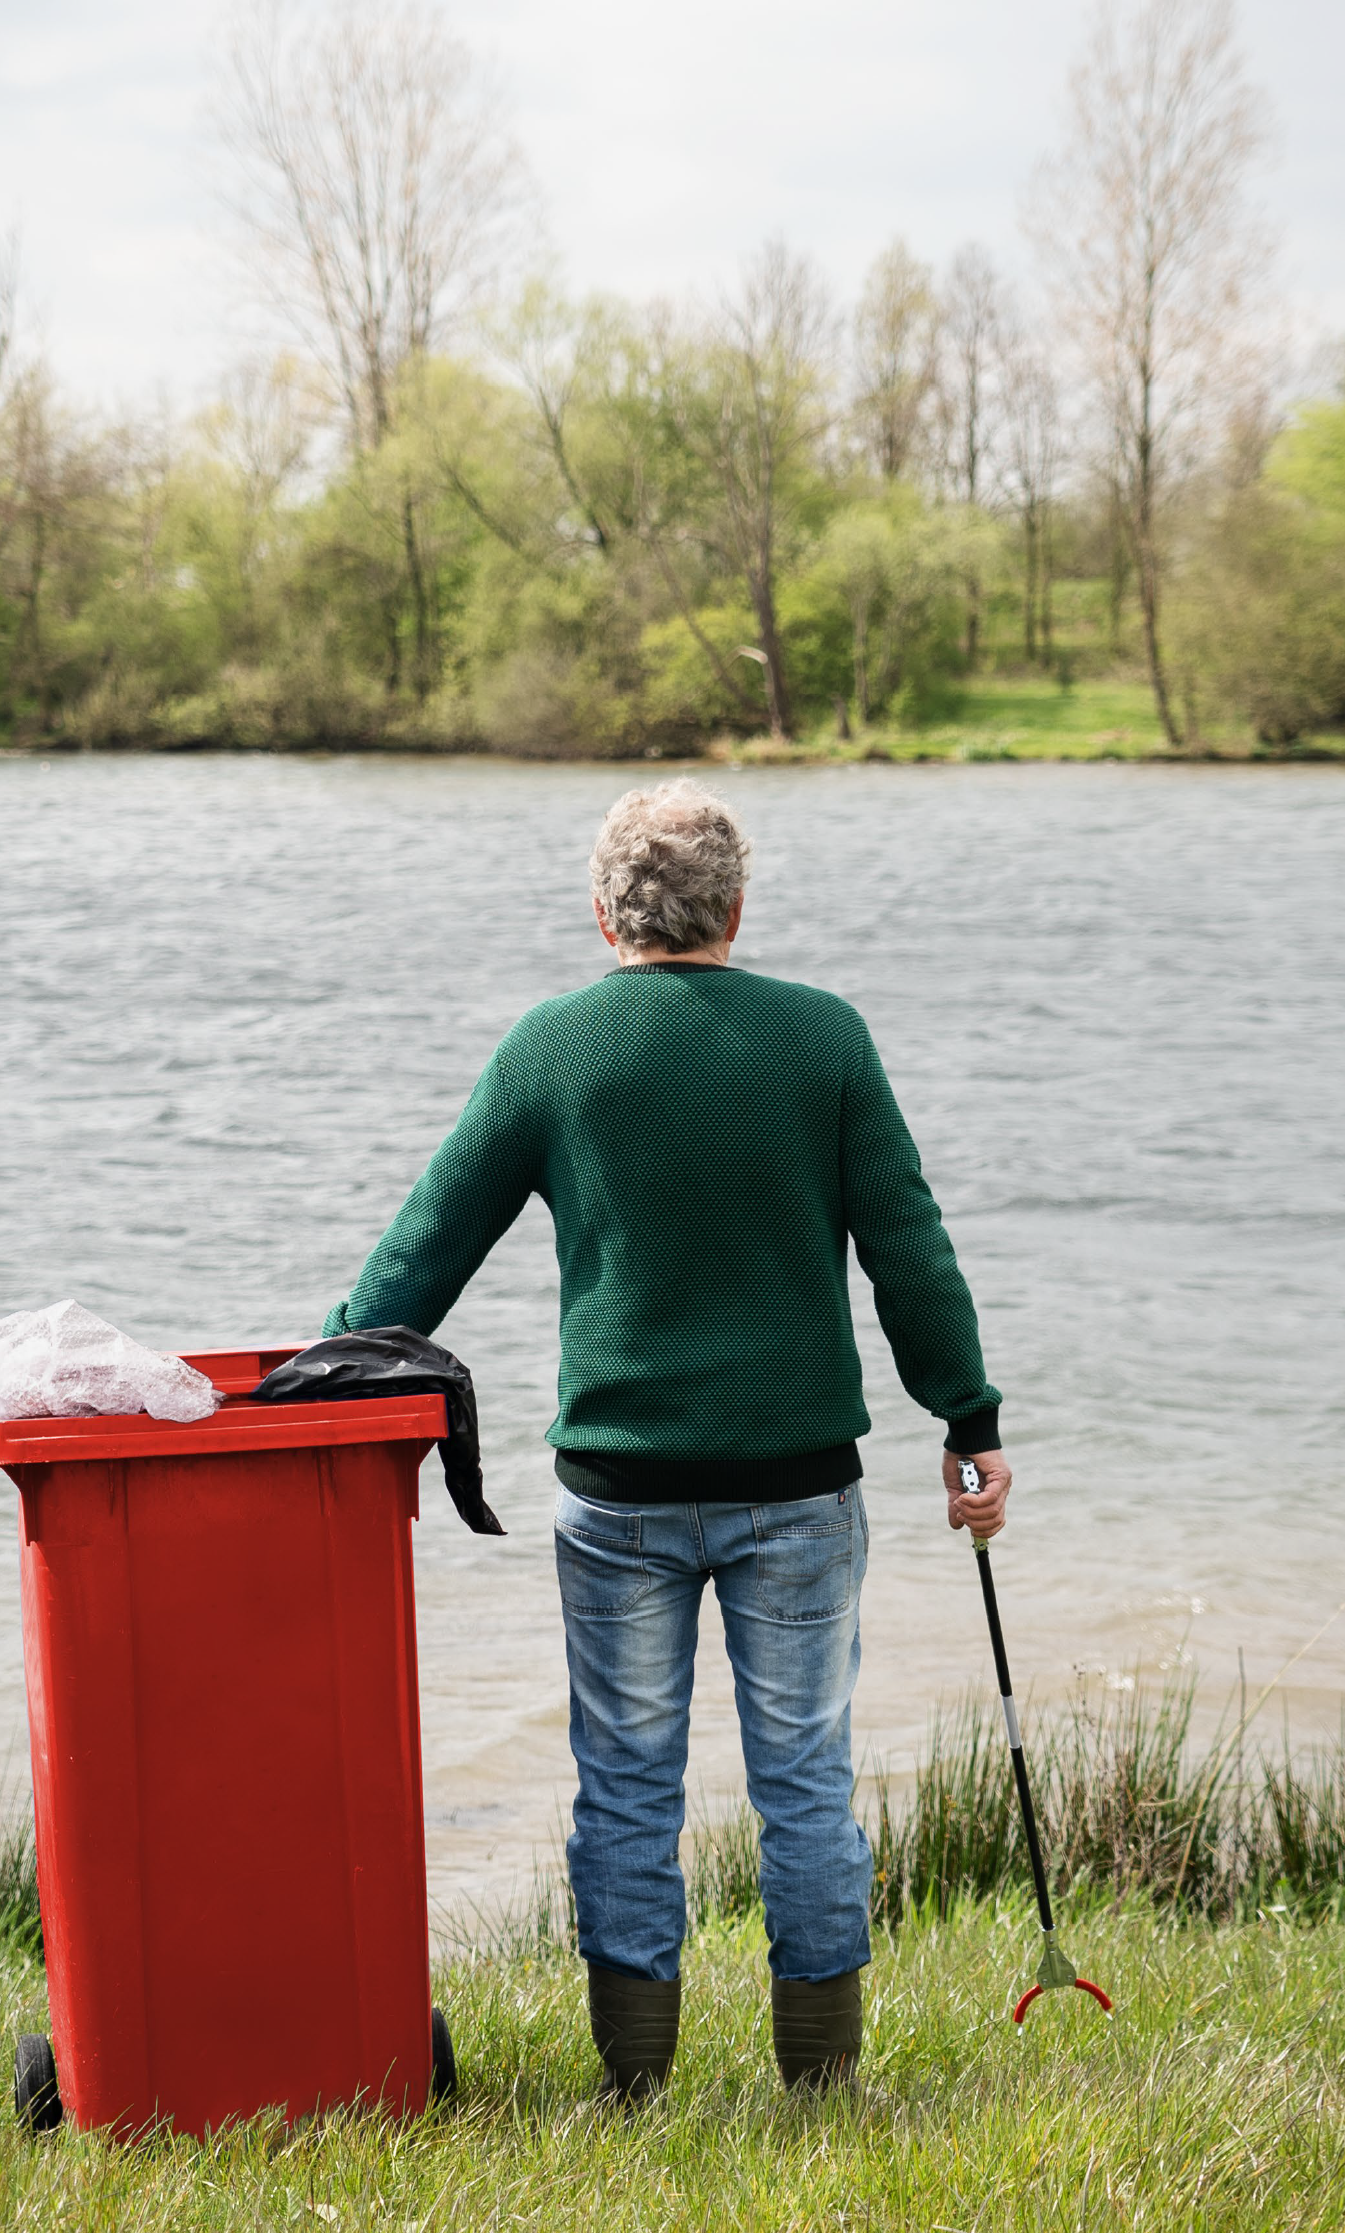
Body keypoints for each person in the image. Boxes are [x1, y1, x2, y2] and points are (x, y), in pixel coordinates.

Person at [325, 780, 1009, 2102]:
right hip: (799, 1487)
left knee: (627, 1787)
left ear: (601, 917)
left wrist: (320, 1379)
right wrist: (965, 1416)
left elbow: (422, 1252)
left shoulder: (553, 1049)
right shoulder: (826, 1042)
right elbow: (909, 1250)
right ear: (738, 911)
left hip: (620, 1491)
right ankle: (823, 2086)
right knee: (804, 1780)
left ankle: (634, 2089)